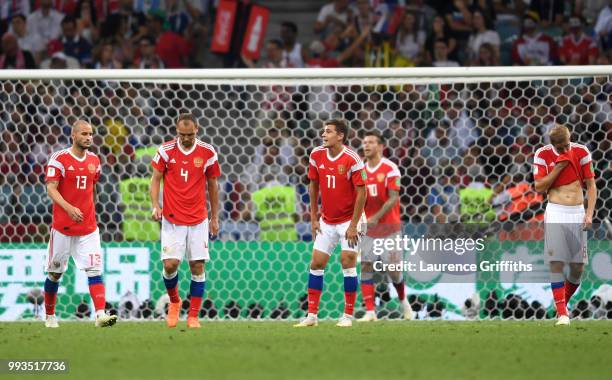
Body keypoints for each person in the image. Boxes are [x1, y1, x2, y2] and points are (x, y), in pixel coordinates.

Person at [43, 120, 117, 328]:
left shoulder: (94, 160)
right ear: (73, 136)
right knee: (55, 273)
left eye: (91, 134)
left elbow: (92, 187)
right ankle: (49, 316)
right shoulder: (59, 159)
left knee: (94, 270)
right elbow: (51, 189)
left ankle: (100, 315)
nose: (88, 137)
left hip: (88, 229)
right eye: (84, 134)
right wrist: (69, 208)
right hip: (63, 229)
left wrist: (88, 210)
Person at [150, 113, 220, 329]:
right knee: (170, 265)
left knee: (197, 266)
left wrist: (214, 217)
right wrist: (155, 204)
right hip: (172, 220)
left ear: (196, 129)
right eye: (182, 134)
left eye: (190, 134)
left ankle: (193, 316)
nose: (186, 138)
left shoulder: (207, 152)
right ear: (176, 131)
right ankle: (174, 302)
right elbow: (155, 179)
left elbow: (213, 185)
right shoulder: (165, 151)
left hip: (198, 219)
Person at [294, 119, 367, 328]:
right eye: (323, 131)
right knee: (316, 263)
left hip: (351, 220)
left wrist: (353, 225)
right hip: (327, 220)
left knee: (347, 262)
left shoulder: (353, 159)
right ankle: (312, 316)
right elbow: (313, 186)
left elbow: (362, 192)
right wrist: (314, 217)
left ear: (340, 136)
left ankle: (347, 316)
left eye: (328, 132)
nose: (323, 135)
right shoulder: (316, 155)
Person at [532, 125, 597, 326]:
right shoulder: (542, 154)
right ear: (553, 144)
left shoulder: (581, 151)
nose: (564, 149)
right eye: (560, 146)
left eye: (566, 144)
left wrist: (589, 213)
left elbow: (591, 185)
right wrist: (559, 166)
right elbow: (539, 187)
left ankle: (561, 306)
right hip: (556, 211)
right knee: (557, 262)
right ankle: (563, 315)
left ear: (570, 138)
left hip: (577, 212)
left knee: (578, 268)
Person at [358, 131, 413, 322]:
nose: (366, 145)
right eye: (364, 142)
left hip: (389, 228)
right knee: (365, 266)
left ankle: (404, 302)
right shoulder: (360, 172)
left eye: (371, 142)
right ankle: (370, 311)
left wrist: (376, 217)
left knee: (393, 269)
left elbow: (393, 198)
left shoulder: (391, 169)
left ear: (381, 147)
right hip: (368, 229)